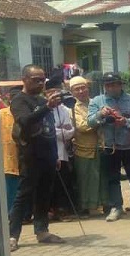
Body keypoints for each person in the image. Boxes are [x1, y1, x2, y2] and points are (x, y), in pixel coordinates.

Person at [9, 65, 66, 251]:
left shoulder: (42, 99)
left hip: (47, 154)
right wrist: (46, 107)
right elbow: (25, 121)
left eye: (43, 79)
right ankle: (12, 235)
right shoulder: (19, 100)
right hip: (30, 154)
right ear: (24, 79)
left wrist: (56, 155)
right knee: (24, 195)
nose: (41, 83)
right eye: (36, 79)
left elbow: (50, 130)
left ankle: (42, 230)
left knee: (44, 193)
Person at [88, 72, 130, 222]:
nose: (111, 87)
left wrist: (125, 121)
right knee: (112, 179)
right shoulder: (97, 101)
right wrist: (100, 114)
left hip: (129, 145)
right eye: (108, 85)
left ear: (121, 85)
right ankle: (116, 207)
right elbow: (90, 122)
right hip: (108, 146)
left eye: (114, 84)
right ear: (104, 86)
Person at [70, 76, 107, 217]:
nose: (81, 91)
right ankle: (87, 207)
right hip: (83, 148)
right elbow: (82, 126)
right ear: (72, 92)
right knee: (85, 179)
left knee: (102, 178)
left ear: (88, 88)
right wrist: (99, 118)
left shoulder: (96, 103)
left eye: (83, 87)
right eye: (76, 89)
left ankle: (105, 205)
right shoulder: (73, 108)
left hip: (101, 146)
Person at [45, 77, 76, 221]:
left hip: (62, 151)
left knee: (62, 183)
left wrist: (59, 130)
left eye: (57, 92)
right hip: (47, 152)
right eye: (51, 93)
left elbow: (71, 131)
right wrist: (61, 130)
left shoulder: (64, 109)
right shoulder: (43, 109)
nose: (55, 96)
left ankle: (61, 210)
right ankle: (48, 211)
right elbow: (47, 131)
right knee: (48, 183)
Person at [0, 86, 21, 213]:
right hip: (8, 156)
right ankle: (10, 215)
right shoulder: (1, 114)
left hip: (26, 156)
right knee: (10, 188)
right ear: (9, 99)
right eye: (13, 98)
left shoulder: (28, 111)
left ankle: (25, 215)